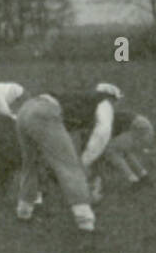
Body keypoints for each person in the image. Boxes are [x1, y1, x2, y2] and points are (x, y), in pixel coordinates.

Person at [14, 87, 109, 231]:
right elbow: (100, 136)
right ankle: (85, 221)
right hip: (45, 112)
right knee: (69, 167)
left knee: (30, 164)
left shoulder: (84, 100)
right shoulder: (104, 107)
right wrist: (85, 163)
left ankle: (24, 211)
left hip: (26, 109)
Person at [51, 83, 123, 207]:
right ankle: (87, 193)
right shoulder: (104, 105)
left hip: (95, 133)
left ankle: (82, 196)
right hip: (96, 134)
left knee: (83, 164)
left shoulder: (97, 103)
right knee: (86, 164)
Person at [0, 108, 45, 209]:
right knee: (21, 165)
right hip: (9, 137)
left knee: (6, 164)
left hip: (5, 136)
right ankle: (34, 198)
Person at [96, 107, 155, 190]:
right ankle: (144, 176)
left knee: (111, 150)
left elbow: (106, 139)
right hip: (144, 128)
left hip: (139, 128)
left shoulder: (104, 120)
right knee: (125, 151)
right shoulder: (109, 116)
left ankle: (133, 180)